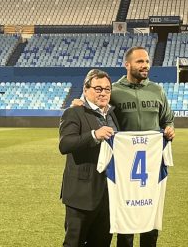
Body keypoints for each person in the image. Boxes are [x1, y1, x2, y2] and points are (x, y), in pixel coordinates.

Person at [73, 46, 175, 247]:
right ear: (127, 64)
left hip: (150, 166)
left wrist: (170, 129)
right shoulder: (115, 90)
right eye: (139, 62)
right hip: (123, 166)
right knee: (125, 223)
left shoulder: (157, 90)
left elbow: (167, 120)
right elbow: (96, 106)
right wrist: (79, 105)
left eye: (146, 61)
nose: (145, 65)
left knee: (150, 219)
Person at [59, 69, 119, 247]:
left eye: (107, 89)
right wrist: (94, 135)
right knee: (74, 243)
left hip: (108, 196)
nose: (103, 93)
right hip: (81, 195)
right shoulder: (73, 112)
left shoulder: (112, 114)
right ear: (86, 90)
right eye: (98, 88)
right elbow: (65, 144)